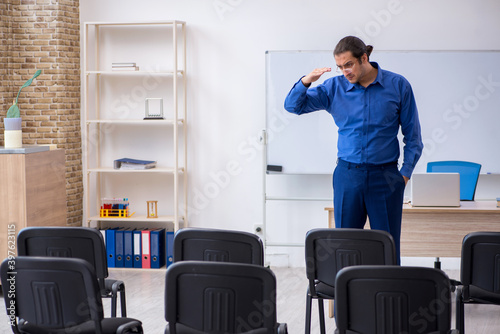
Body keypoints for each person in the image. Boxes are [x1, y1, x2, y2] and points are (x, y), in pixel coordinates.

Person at [284, 36, 423, 263]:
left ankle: (387, 296)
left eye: (348, 65)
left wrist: (404, 175)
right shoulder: (333, 88)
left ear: (364, 58)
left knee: (387, 249)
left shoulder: (398, 86)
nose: (344, 72)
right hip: (348, 176)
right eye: (339, 67)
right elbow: (293, 106)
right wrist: (306, 80)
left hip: (386, 177)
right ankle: (347, 298)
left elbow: (414, 137)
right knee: (346, 249)